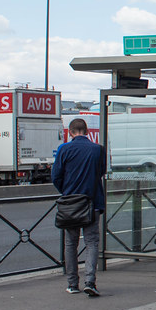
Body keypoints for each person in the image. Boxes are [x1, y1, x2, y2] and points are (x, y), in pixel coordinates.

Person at [52, 118, 105, 297]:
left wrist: (67, 191)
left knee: (71, 243)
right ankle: (90, 281)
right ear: (87, 131)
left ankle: (72, 284)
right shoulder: (98, 150)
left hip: (70, 204)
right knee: (91, 242)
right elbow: (101, 172)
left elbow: (56, 177)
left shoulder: (64, 150)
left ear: (70, 132)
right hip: (92, 203)